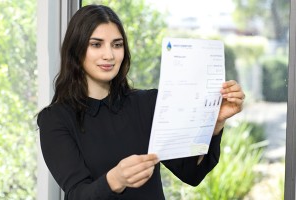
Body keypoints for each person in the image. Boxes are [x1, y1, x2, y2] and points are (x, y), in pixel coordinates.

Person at [37, 4, 245, 200]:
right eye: (96, 44)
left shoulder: (148, 104)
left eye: (117, 45)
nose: (109, 55)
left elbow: (192, 173)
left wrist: (215, 123)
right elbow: (77, 195)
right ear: (76, 50)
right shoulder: (55, 119)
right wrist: (114, 180)